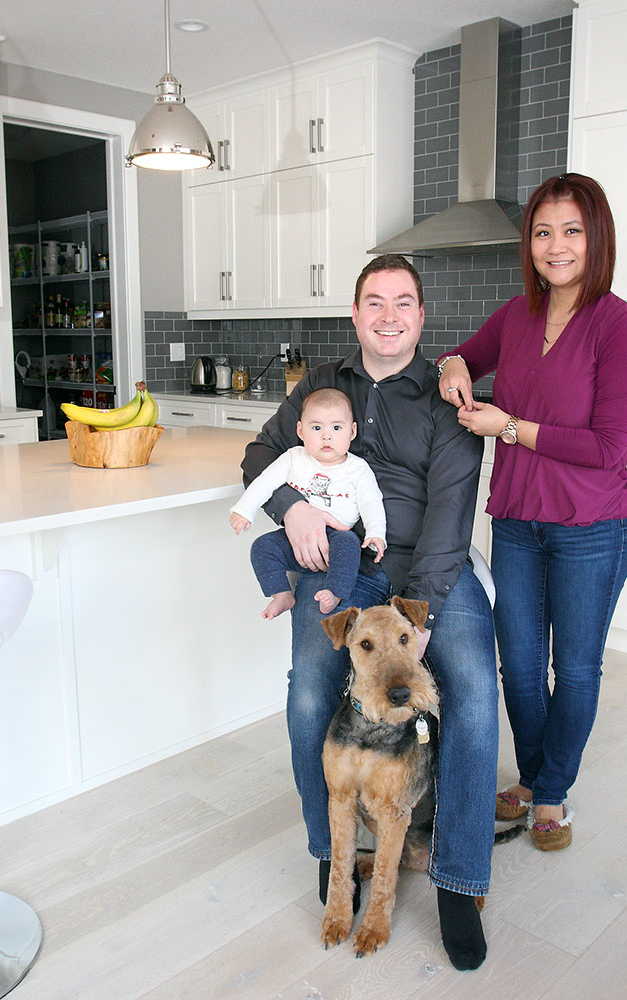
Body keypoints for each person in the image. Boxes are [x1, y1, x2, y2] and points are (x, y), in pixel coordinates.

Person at [241, 254, 498, 970]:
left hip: (431, 569)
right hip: (340, 565)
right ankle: (333, 859)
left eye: (403, 302)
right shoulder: (319, 387)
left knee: (474, 691)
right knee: (307, 698)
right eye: (374, 302)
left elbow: (451, 515)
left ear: (422, 316)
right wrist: (292, 508)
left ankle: (457, 876)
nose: (388, 316)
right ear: (355, 314)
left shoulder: (450, 399)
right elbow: (260, 455)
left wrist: (417, 616)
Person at [436, 173, 627, 853]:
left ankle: (553, 791)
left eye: (572, 231)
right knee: (519, 666)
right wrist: (450, 367)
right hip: (518, 520)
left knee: (576, 669)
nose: (555, 246)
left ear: (597, 239)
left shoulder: (622, 327)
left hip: (593, 526)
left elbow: (606, 449)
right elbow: (463, 356)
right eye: (542, 232)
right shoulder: (518, 316)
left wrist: (509, 427)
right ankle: (531, 779)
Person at [230, 387, 387, 618]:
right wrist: (244, 511)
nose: (326, 436)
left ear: (352, 431)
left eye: (336, 427)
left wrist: (376, 534)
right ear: (300, 430)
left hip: (336, 538)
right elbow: (264, 483)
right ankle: (281, 594)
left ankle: (334, 592)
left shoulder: (358, 469)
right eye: (316, 428)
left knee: (349, 545)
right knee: (262, 548)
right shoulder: (293, 458)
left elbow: (372, 503)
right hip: (295, 538)